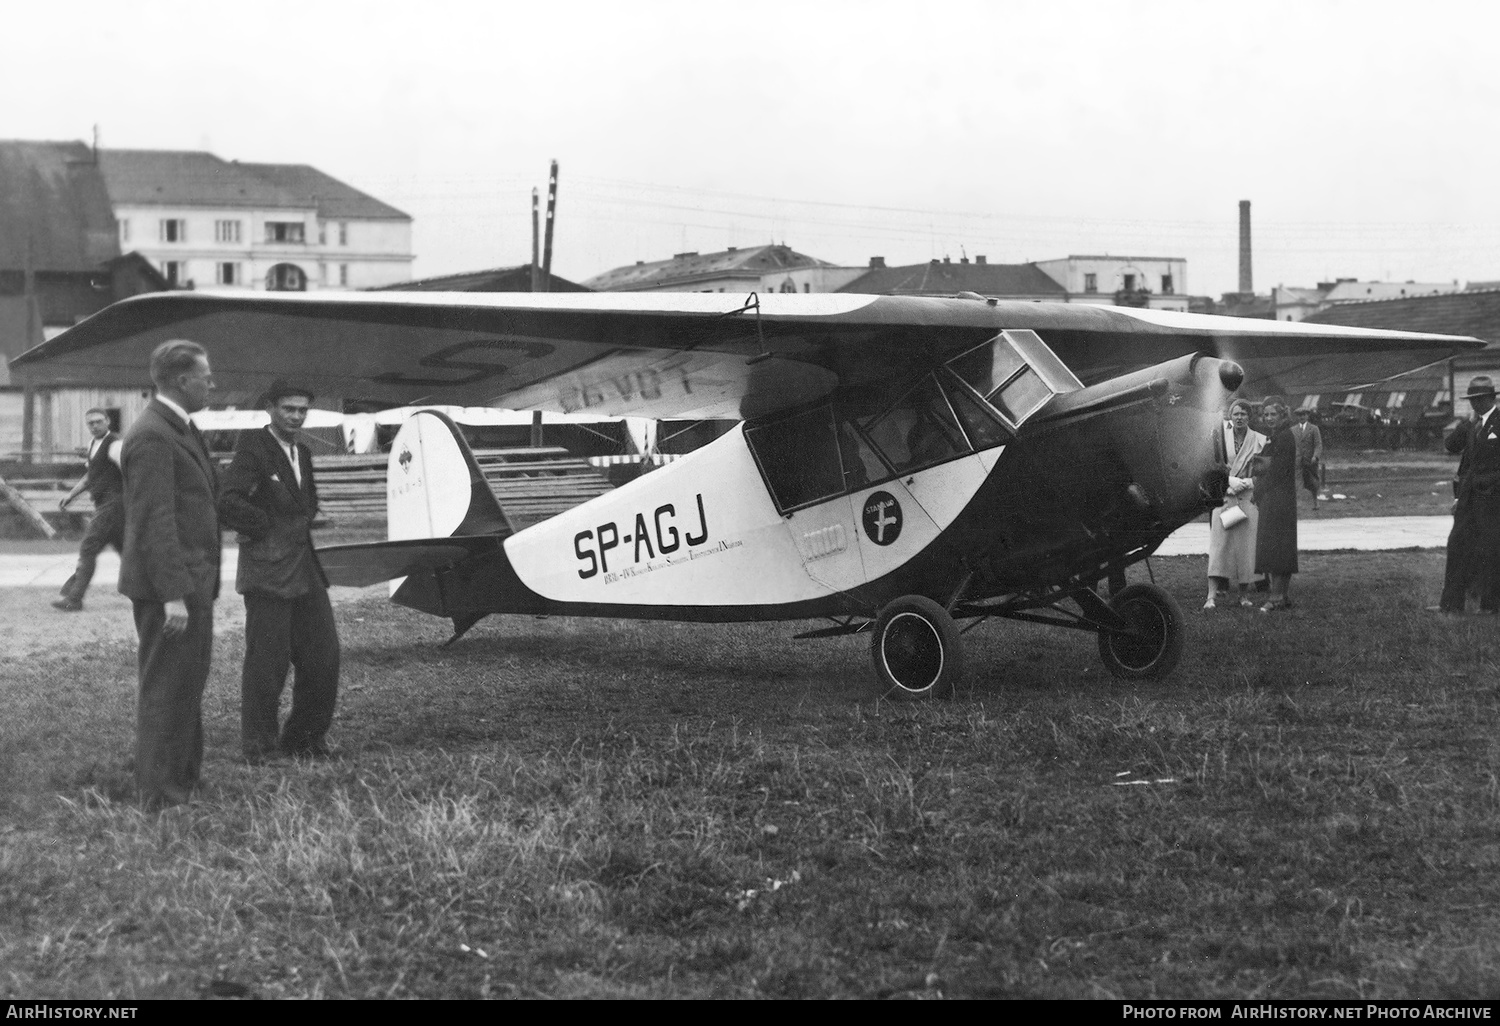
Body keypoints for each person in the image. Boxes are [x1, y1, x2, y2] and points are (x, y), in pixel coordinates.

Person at [119, 340, 220, 809]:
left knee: (186, 685)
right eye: (206, 375)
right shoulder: (152, 435)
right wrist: (173, 595)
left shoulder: (178, 427)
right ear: (182, 381)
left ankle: (183, 781)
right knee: (166, 689)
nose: (211, 382)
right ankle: (159, 794)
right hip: (173, 587)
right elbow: (153, 521)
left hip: (192, 580)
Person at [217, 380, 340, 762]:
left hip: (304, 568)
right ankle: (259, 746)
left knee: (324, 655)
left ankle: (305, 739)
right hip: (267, 570)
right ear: (270, 407)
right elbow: (227, 501)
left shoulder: (302, 451)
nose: (296, 416)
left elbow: (307, 504)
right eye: (289, 408)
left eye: (303, 410)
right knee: (267, 660)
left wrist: (299, 524)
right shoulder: (253, 447)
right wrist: (267, 527)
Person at [1433, 377, 1500, 615]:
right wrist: (1465, 424)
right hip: (1469, 498)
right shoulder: (1472, 424)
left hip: (1493, 499)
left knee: (1491, 550)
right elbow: (1451, 446)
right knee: (1457, 544)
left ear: (1492, 398)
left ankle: (1491, 605)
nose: (1475, 404)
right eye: (1472, 400)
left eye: (1479, 399)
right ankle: (1451, 603)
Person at [52, 408, 124, 612]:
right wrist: (71, 495)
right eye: (90, 423)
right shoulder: (93, 444)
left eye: (98, 421)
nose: (94, 426)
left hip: (115, 503)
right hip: (104, 504)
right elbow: (90, 477)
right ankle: (159, 594)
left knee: (88, 547)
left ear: (108, 421)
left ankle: (74, 598)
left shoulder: (116, 444)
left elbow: (130, 470)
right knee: (128, 552)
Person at [1205, 398, 1266, 610]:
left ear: (1250, 417)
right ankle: (1211, 595)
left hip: (1247, 498)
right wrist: (1227, 481)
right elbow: (1210, 465)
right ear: (1230, 415)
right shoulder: (1219, 436)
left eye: (1243, 414)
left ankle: (1243, 595)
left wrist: (1250, 482)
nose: (1239, 417)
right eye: (1236, 413)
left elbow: (1265, 470)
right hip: (1224, 497)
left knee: (1246, 549)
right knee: (1219, 547)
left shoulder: (1259, 440)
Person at [1251, 396, 1298, 613]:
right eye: (1266, 414)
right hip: (1279, 497)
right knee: (1280, 546)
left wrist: (1258, 491)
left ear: (1282, 415)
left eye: (1274, 414)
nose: (1269, 418)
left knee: (1277, 547)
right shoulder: (1278, 436)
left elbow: (1277, 472)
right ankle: (1282, 595)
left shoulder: (1283, 437)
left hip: (1277, 497)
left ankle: (1276, 597)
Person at [1291, 407, 1324, 510]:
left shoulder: (1314, 428)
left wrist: (1315, 456)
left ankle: (1315, 502)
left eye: (1303, 415)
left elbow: (1318, 444)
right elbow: (1291, 445)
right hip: (1297, 461)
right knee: (1297, 482)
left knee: (1313, 482)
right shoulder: (1293, 430)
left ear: (1307, 416)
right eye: (1299, 415)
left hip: (1310, 461)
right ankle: (1297, 504)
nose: (1301, 417)